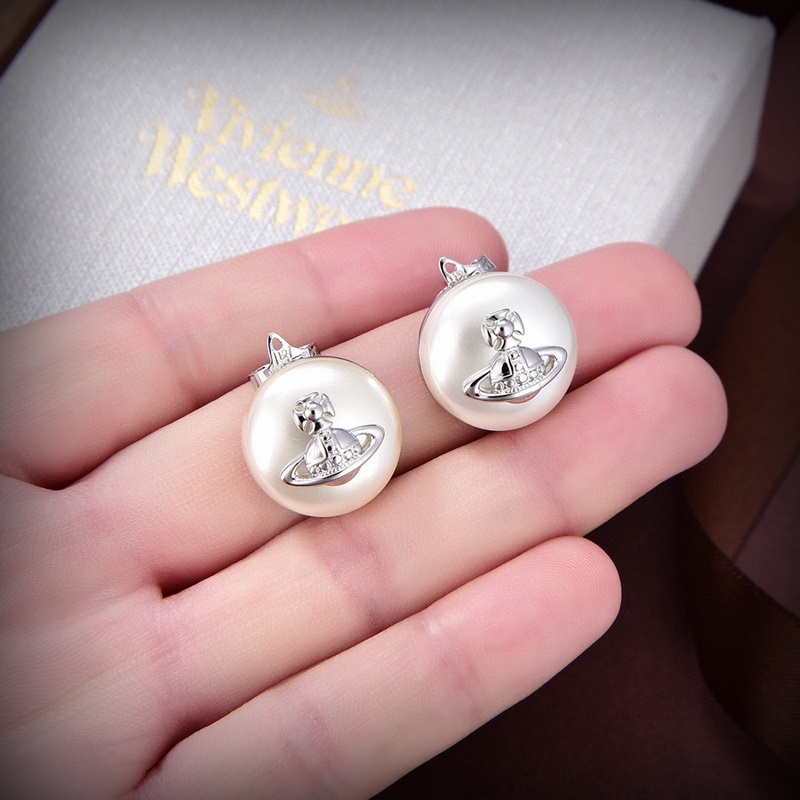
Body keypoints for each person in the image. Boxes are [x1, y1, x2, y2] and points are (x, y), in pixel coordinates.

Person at [0, 208, 726, 799]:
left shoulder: (493, 367)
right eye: (307, 412)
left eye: (504, 327)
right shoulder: (314, 438)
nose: (503, 333)